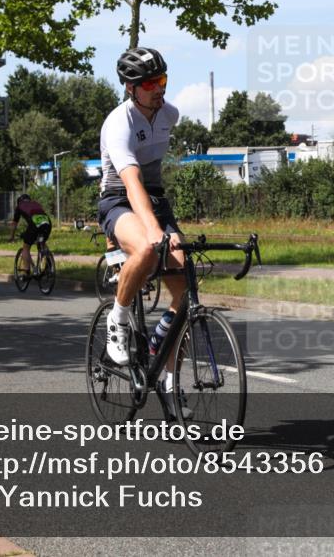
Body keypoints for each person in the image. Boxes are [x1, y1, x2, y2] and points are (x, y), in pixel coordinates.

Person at [98, 47, 189, 418]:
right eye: (149, 83)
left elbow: (151, 188)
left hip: (156, 199)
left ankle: (168, 376)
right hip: (118, 199)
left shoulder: (170, 114)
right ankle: (117, 317)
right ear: (129, 87)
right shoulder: (117, 123)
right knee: (148, 250)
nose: (157, 88)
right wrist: (154, 232)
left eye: (162, 80)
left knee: (186, 289)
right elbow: (131, 181)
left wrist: (162, 225)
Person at [8, 194, 52, 274]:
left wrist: (11, 237)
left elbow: (14, 224)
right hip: (47, 222)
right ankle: (49, 264)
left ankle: (27, 270)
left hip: (34, 224)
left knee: (26, 247)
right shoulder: (35, 203)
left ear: (19, 202)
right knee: (42, 242)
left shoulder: (19, 206)